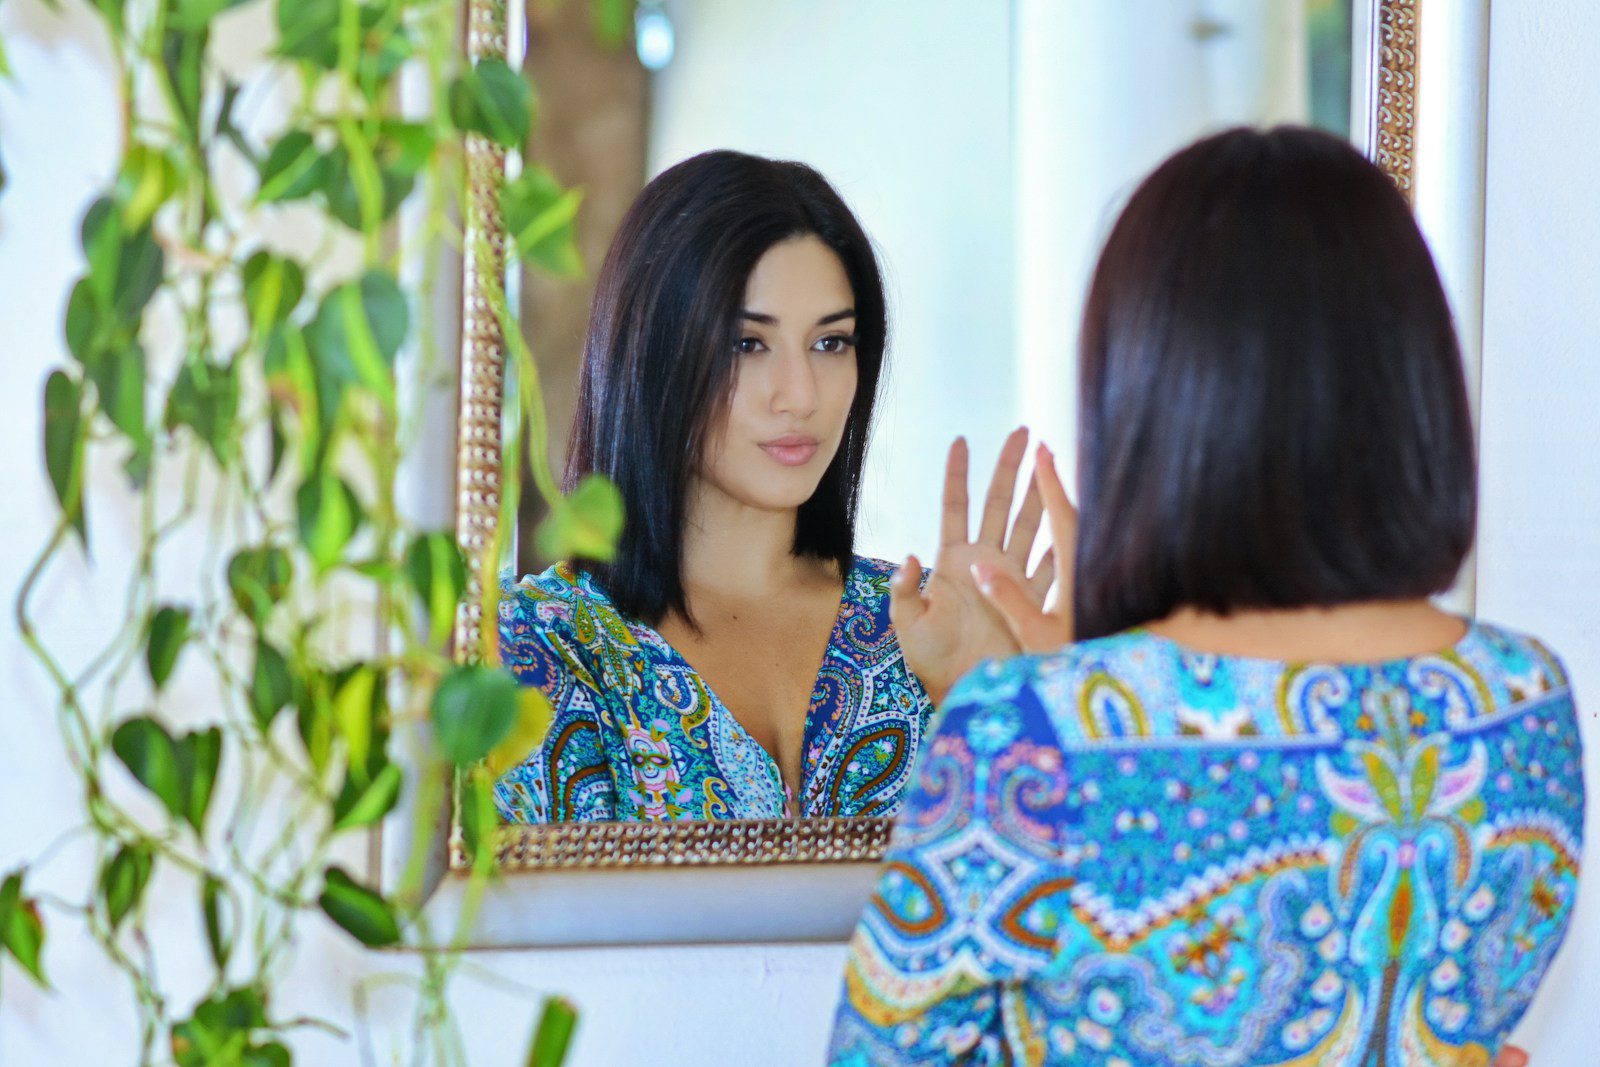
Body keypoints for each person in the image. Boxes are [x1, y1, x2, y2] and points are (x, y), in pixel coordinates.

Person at [829, 127, 1584, 1065]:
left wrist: (1062, 689)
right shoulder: (1525, 699)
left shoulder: (1032, 733)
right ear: (1409, 378)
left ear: (1149, 396)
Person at [494, 151, 1052, 823]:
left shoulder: (933, 628)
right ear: (654, 351)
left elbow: (1056, 908)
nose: (801, 394)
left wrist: (1001, 701)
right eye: (747, 344)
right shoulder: (546, 646)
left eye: (831, 342)